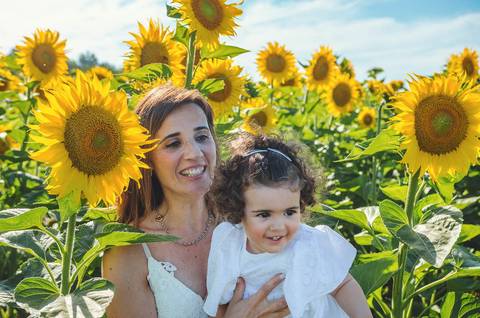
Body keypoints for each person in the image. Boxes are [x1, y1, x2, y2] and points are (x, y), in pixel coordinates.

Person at [102, 85, 289, 318]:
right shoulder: (129, 252)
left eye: (201, 137)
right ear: (146, 160)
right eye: (173, 143)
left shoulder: (247, 219)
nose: (195, 153)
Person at [204, 133, 372, 318]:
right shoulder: (231, 246)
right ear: (238, 210)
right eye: (264, 214)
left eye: (289, 212)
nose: (278, 226)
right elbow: (219, 304)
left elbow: (342, 285)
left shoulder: (309, 243)